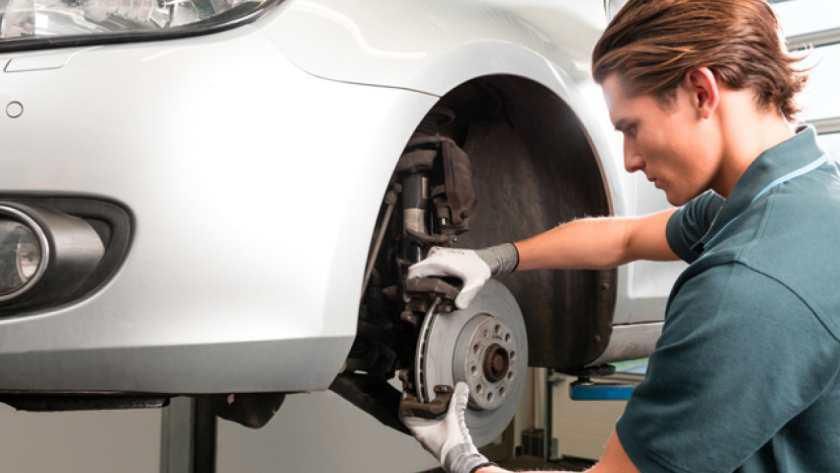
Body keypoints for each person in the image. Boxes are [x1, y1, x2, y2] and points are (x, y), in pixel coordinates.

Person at [400, 1, 840, 472]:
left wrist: (462, 457)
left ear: (700, 91)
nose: (629, 159)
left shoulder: (748, 286)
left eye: (632, 128)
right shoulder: (794, 196)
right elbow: (625, 238)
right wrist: (494, 258)